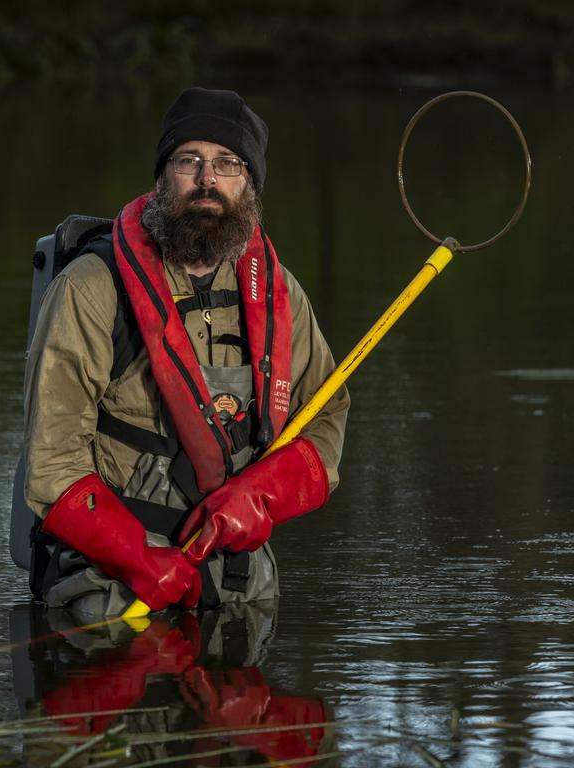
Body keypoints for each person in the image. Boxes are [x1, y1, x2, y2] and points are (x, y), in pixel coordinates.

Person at [22, 87, 349, 617]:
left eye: (227, 163)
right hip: (111, 581)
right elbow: (52, 462)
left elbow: (326, 415)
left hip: (235, 573)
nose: (207, 179)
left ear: (250, 183)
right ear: (161, 176)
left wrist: (262, 497)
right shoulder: (89, 288)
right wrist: (135, 557)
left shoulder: (279, 292)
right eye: (188, 160)